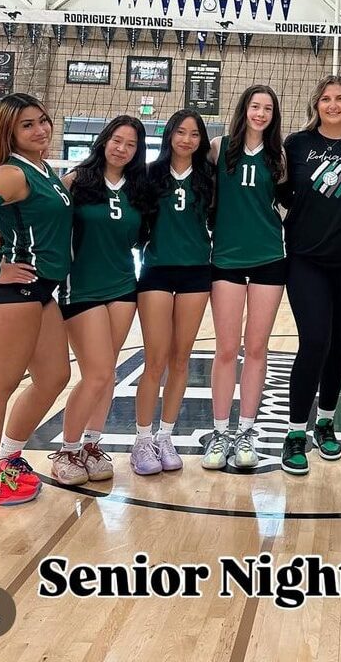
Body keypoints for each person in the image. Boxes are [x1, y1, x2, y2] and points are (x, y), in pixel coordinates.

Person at [280, 75, 341, 475]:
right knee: (315, 341)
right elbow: (283, 191)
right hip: (306, 259)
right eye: (326, 99)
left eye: (340, 98)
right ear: (316, 105)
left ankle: (325, 422)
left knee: (339, 343)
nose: (333, 105)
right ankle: (294, 433)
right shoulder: (296, 144)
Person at [0, 93, 72, 506]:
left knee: (54, 377)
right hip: (11, 293)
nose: (40, 129)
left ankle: (7, 457)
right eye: (27, 125)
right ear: (10, 132)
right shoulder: (11, 174)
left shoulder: (43, 169)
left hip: (39, 290)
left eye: (43, 120)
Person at [51, 116, 150, 485]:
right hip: (81, 289)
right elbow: (43, 216)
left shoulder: (138, 188)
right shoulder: (77, 180)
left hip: (123, 287)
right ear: (104, 140)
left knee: (108, 372)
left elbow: (141, 236)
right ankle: (67, 449)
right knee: (97, 373)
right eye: (116, 140)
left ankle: (91, 446)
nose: (121, 149)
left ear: (138, 151)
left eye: (130, 144)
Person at [202, 86, 286, 471]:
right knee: (225, 349)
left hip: (269, 257)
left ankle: (247, 432)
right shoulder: (219, 148)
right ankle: (220, 433)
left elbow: (288, 202)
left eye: (268, 108)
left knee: (256, 349)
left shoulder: (279, 155)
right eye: (255, 106)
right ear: (245, 109)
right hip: (226, 258)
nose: (261, 113)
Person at [132, 109, 213, 475]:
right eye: (181, 132)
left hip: (196, 272)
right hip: (157, 272)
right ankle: (142, 440)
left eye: (194, 134)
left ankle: (165, 437)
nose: (187, 140)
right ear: (169, 135)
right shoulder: (149, 174)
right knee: (155, 360)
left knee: (181, 359)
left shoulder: (209, 177)